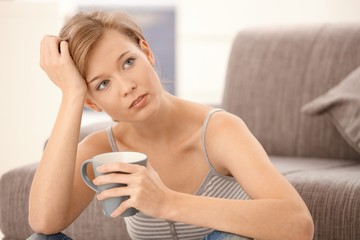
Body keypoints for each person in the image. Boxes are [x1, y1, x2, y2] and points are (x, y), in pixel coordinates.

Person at [28, 10, 314, 240]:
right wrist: (72, 96)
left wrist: (166, 202)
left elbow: (298, 224)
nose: (127, 86)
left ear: (147, 52)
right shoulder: (102, 148)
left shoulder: (219, 130)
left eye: (128, 62)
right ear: (93, 103)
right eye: (103, 84)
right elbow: (43, 222)